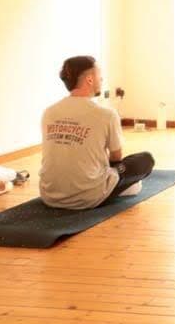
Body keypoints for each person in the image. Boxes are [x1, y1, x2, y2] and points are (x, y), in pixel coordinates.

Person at [39, 56, 155, 209]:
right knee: (145, 159)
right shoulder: (106, 114)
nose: (101, 78)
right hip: (88, 196)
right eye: (99, 74)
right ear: (89, 79)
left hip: (49, 195)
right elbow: (116, 157)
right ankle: (116, 187)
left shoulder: (49, 112)